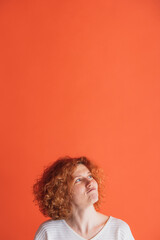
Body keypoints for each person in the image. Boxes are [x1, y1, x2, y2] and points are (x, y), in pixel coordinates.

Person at [33, 156, 135, 240]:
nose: (90, 182)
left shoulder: (119, 230)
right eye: (78, 180)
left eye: (90, 176)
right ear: (62, 192)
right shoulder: (49, 233)